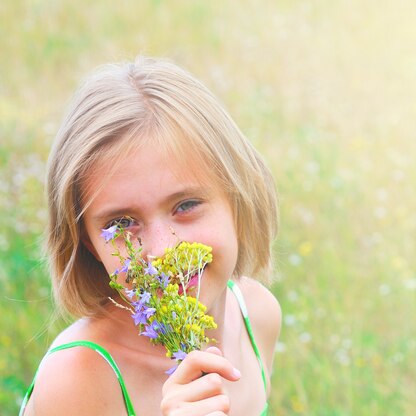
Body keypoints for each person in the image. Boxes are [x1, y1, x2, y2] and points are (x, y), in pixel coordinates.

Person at [20, 56, 281, 416]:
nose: (162, 251)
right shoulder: (78, 380)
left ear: (238, 195)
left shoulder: (257, 314)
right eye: (123, 223)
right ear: (88, 244)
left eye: (186, 204)